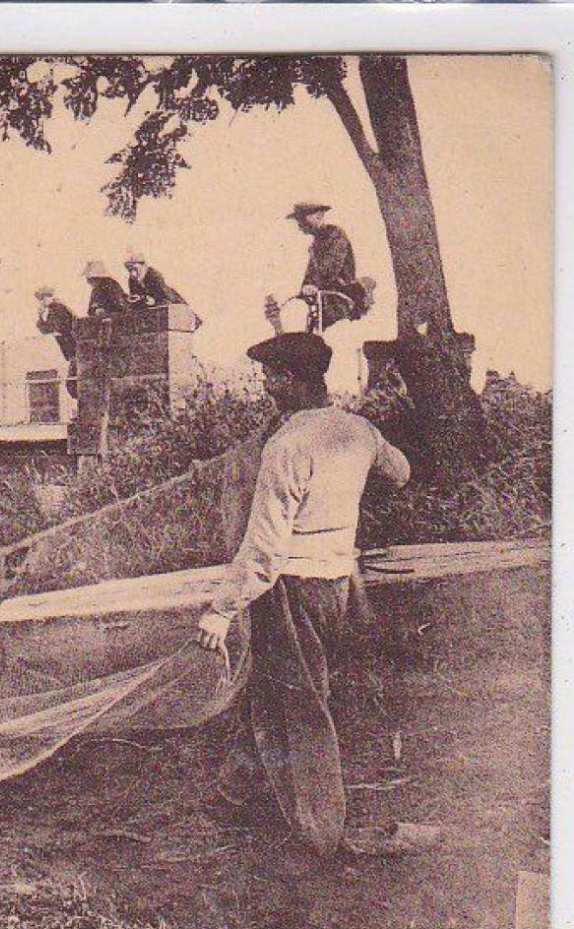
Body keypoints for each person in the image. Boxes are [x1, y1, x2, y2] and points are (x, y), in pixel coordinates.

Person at [194, 332, 412, 859]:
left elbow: (264, 549)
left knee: (302, 706)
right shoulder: (357, 430)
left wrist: (222, 609)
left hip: (289, 590)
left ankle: (322, 834)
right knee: (275, 690)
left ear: (291, 382)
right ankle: (234, 796)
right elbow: (400, 473)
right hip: (335, 583)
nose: (267, 387)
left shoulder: (286, 446)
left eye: (271, 378)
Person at [287, 203, 374, 331]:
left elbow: (331, 265)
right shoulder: (316, 244)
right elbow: (311, 272)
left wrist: (314, 284)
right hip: (324, 300)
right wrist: (307, 286)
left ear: (319, 216)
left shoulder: (335, 234)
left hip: (341, 298)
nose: (300, 225)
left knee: (337, 335)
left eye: (302, 219)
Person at [34, 285, 80, 399]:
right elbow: (45, 329)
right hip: (68, 349)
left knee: (73, 381)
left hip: (72, 347)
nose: (40, 302)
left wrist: (53, 330)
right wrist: (40, 316)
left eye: (42, 298)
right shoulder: (52, 309)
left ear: (48, 297)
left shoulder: (58, 308)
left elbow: (56, 328)